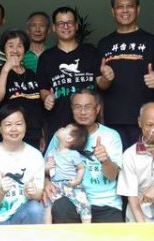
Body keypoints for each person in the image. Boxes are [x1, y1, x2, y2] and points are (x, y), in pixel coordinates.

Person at [97, 0, 154, 150]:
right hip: (113, 118)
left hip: (145, 119)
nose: (125, 10)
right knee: (117, 167)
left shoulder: (151, 41)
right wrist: (105, 79)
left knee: (145, 166)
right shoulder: (104, 44)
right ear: (113, 11)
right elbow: (100, 85)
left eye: (129, 6)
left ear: (138, 9)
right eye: (119, 6)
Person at [45, 89, 123, 223]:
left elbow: (112, 175)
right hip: (71, 200)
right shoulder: (61, 136)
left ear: (97, 108)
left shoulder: (111, 136)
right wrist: (46, 182)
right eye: (77, 107)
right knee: (59, 207)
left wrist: (105, 160)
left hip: (105, 204)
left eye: (88, 107)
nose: (82, 112)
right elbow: (45, 167)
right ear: (72, 109)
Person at [37, 6, 109, 143]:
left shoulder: (91, 52)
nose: (66, 26)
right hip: (59, 124)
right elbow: (43, 88)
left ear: (76, 26)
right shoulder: (46, 57)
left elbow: (102, 84)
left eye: (69, 22)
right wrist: (46, 97)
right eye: (61, 23)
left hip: (90, 124)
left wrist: (107, 78)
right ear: (54, 27)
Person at [0, 104, 45, 225]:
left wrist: (32, 193)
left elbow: (38, 196)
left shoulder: (35, 156)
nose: (14, 129)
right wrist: (1, 191)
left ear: (25, 126)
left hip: (22, 216)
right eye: (8, 125)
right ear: (0, 128)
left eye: (18, 124)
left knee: (35, 209)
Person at [0, 29, 45, 151]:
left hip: (33, 134)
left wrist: (42, 135)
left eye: (19, 46)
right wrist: (6, 70)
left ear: (25, 50)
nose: (15, 50)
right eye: (10, 46)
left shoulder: (31, 74)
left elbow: (38, 107)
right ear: (4, 49)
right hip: (10, 135)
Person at [44, 123, 91, 224]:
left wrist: (77, 180)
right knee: (47, 203)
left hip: (71, 184)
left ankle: (87, 227)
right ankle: (47, 228)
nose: (61, 127)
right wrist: (47, 168)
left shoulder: (73, 154)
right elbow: (47, 170)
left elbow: (81, 168)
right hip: (56, 184)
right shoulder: (52, 151)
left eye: (65, 128)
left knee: (83, 203)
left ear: (69, 138)